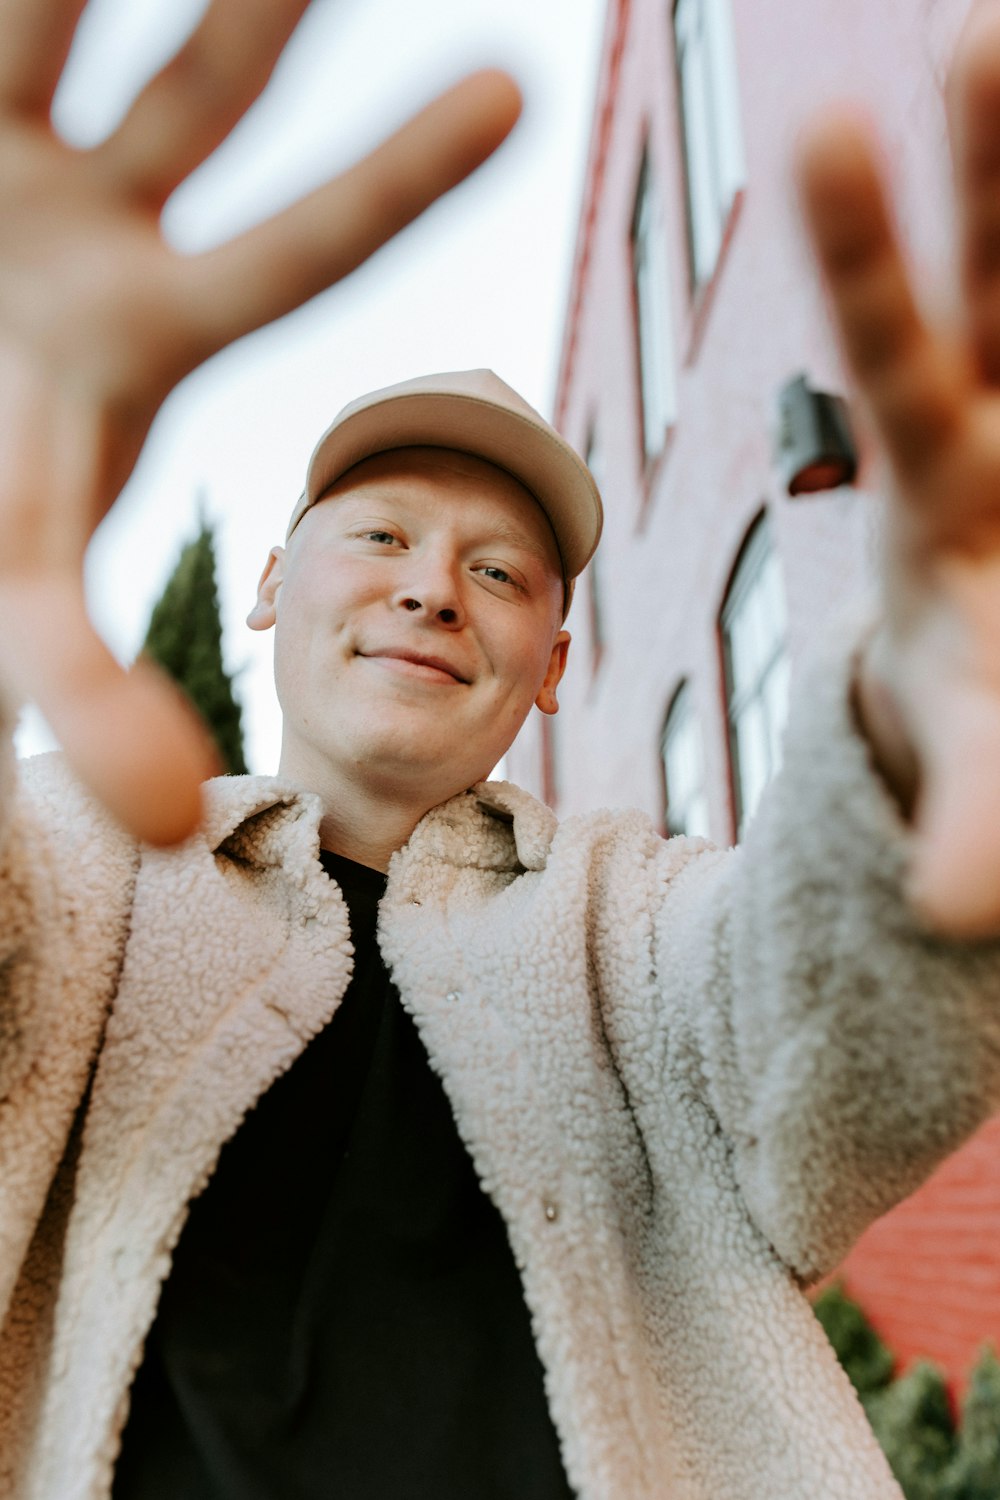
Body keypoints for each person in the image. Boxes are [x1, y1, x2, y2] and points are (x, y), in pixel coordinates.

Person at [4, 0, 1000, 1496]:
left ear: (553, 667)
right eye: (385, 537)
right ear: (273, 584)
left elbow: (826, 1041)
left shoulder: (642, 927)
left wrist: (922, 731)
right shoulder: (79, 873)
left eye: (499, 573)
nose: (429, 590)